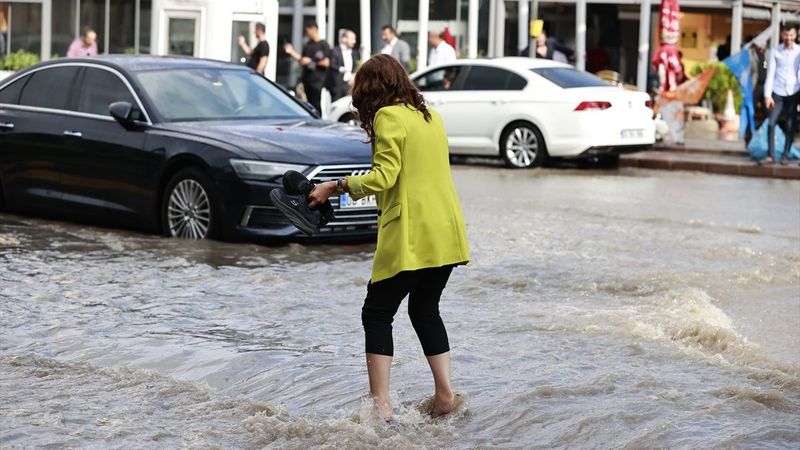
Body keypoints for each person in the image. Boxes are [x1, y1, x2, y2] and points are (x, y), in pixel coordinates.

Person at [307, 54, 470, 421]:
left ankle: (381, 407)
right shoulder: (430, 117)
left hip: (412, 235)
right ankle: (445, 395)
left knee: (377, 312)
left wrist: (336, 185)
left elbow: (385, 176)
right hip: (445, 232)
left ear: (370, 90)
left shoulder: (387, 116)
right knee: (424, 309)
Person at [762, 23, 800, 165]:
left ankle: (785, 155)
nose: (788, 38)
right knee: (771, 123)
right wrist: (767, 95)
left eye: (791, 35)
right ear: (781, 35)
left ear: (795, 35)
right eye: (786, 35)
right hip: (777, 92)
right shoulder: (775, 51)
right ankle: (771, 155)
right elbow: (770, 73)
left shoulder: (799, 51)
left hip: (793, 91)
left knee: (791, 124)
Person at [284, 21, 331, 114]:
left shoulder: (323, 44)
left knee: (316, 105)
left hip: (317, 82)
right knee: (309, 106)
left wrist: (311, 61)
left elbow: (326, 63)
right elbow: (302, 59)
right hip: (307, 80)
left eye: (308, 31)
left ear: (314, 29)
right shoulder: (308, 44)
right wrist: (291, 51)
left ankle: (318, 121)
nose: (307, 34)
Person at [326, 28, 357, 101]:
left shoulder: (354, 52)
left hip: (349, 85)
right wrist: (341, 69)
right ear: (344, 39)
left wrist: (352, 76)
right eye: (352, 39)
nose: (354, 41)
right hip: (336, 87)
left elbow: (353, 67)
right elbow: (331, 65)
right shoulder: (334, 50)